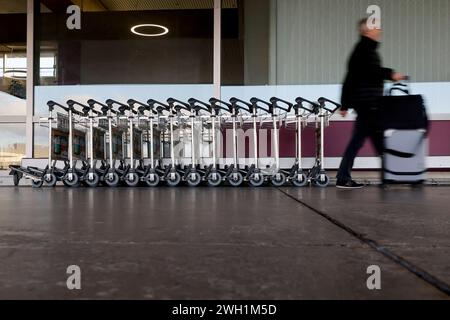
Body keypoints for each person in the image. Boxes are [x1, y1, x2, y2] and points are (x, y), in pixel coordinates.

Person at [336, 18, 407, 189]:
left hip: (368, 103)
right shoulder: (364, 50)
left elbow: (350, 79)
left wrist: (345, 104)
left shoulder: (365, 49)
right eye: (375, 26)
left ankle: (389, 177)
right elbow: (367, 73)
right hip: (368, 104)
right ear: (367, 31)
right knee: (367, 142)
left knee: (374, 142)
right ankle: (345, 178)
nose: (378, 28)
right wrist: (391, 74)